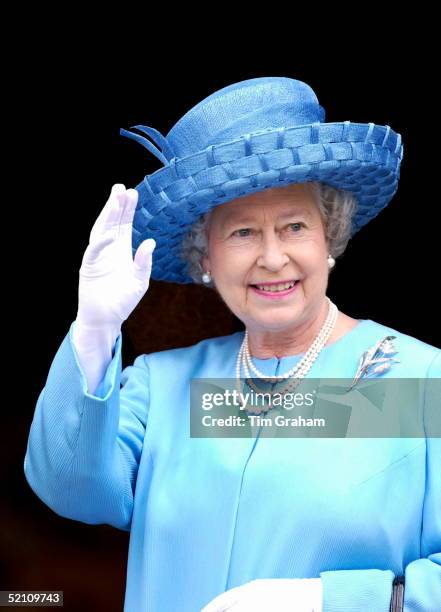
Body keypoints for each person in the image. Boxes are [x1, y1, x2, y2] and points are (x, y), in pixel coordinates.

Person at [23, 77, 440, 612]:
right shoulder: (165, 388)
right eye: (242, 233)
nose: (272, 257)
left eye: (294, 226)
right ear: (205, 258)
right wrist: (95, 327)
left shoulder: (418, 382)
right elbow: (71, 489)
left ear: (329, 236)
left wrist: (333, 601)